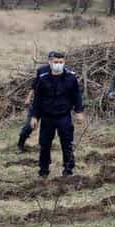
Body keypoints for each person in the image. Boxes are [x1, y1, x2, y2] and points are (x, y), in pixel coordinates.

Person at [29, 50, 85, 178]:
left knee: (67, 144)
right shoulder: (43, 78)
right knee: (44, 144)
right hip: (47, 116)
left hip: (64, 116)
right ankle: (43, 171)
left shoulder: (71, 77)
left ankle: (68, 170)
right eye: (56, 62)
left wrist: (79, 111)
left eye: (61, 62)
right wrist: (34, 116)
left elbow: (77, 95)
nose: (58, 64)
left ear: (64, 62)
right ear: (50, 62)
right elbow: (37, 99)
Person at [17, 50, 63, 152]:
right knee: (29, 127)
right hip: (39, 104)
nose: (57, 64)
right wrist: (29, 97)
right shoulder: (42, 71)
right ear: (49, 61)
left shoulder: (65, 72)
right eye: (53, 61)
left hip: (55, 106)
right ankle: (20, 145)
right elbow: (35, 85)